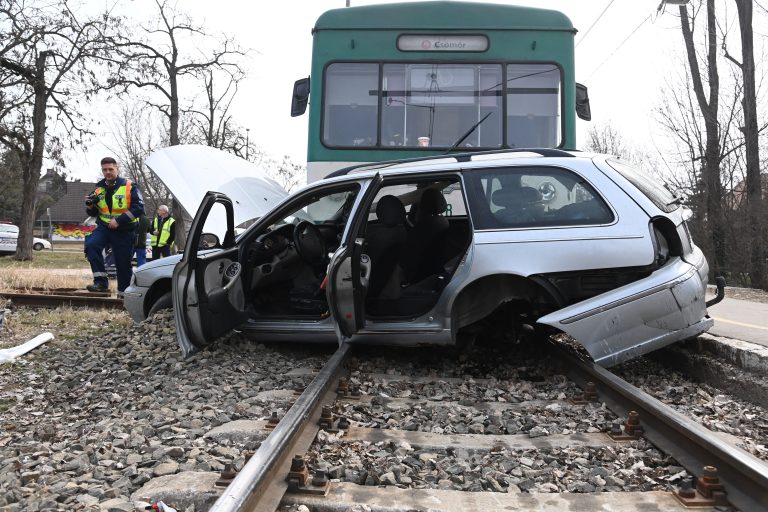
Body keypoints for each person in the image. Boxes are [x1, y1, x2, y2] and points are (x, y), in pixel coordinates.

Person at [84, 157, 145, 296]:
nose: (108, 172)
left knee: (122, 263)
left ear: (117, 168)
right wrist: (90, 205)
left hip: (124, 229)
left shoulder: (130, 186)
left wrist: (119, 220)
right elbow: (93, 213)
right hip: (104, 228)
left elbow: (139, 208)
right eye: (105, 170)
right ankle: (100, 283)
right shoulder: (98, 189)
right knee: (91, 245)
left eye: (111, 169)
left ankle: (123, 294)